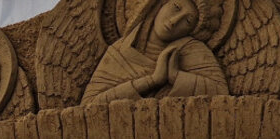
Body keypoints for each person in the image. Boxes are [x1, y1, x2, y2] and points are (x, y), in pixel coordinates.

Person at [81, 0, 229, 105]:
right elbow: (90, 104)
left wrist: (176, 76)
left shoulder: (193, 51)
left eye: (188, 21)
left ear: (191, 31)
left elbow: (222, 95)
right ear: (160, 5)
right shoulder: (119, 51)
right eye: (176, 7)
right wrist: (152, 81)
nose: (174, 21)